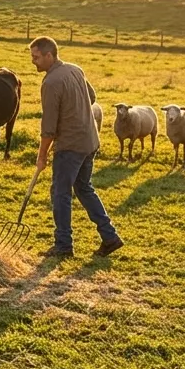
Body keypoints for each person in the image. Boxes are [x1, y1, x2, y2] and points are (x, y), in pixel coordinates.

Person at [29, 36, 123, 258]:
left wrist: (41, 156)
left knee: (60, 192)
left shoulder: (51, 83)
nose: (33, 61)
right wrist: (76, 114)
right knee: (83, 187)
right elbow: (91, 96)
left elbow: (48, 127)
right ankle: (110, 237)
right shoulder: (75, 69)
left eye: (36, 57)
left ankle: (63, 245)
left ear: (49, 55)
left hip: (70, 146)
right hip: (89, 140)